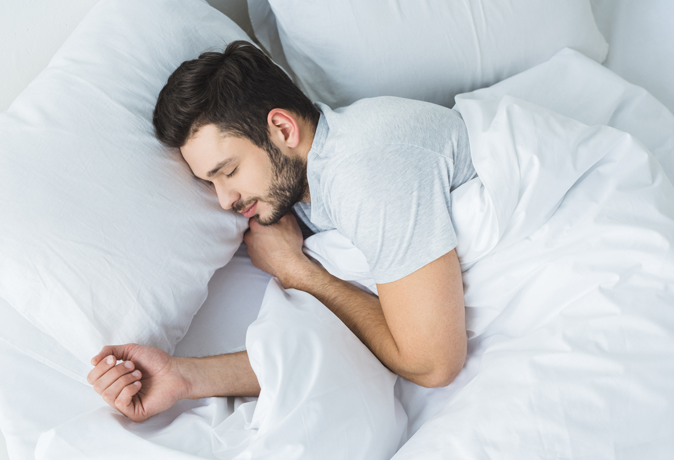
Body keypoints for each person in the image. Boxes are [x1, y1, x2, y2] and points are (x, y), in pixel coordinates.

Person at [87, 41, 474, 423]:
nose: (225, 200)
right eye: (210, 183)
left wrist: (296, 271)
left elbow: (434, 364)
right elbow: (336, 343)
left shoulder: (364, 169)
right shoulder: (302, 192)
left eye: (229, 171)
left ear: (282, 129)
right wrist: (183, 377)